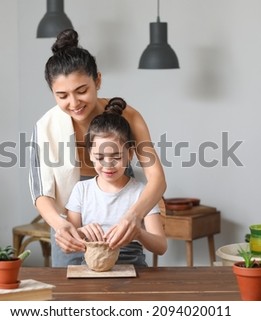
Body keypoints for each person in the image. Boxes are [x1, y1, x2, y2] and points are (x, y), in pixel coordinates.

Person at [29, 29, 166, 267]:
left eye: (82, 91)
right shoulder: (46, 127)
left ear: (98, 81)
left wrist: (134, 217)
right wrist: (62, 226)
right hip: (71, 211)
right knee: (70, 280)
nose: (73, 103)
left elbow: (157, 179)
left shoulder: (129, 117)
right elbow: (41, 192)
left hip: (121, 193)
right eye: (62, 95)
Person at [65, 98, 167, 266]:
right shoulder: (81, 190)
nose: (108, 164)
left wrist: (138, 233)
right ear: (90, 154)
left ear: (131, 154)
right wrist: (81, 232)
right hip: (93, 269)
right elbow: (68, 242)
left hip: (135, 270)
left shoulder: (142, 193)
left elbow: (161, 247)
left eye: (117, 157)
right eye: (100, 157)